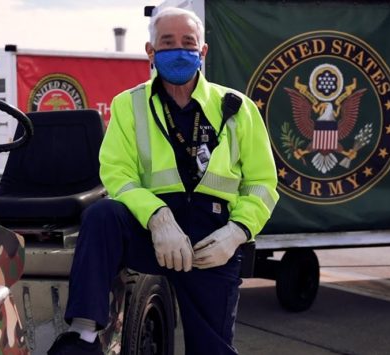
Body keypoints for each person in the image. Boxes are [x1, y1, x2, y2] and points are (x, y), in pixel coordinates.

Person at [47, 6, 279, 355]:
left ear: (203, 51)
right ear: (150, 51)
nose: (179, 50)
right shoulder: (128, 105)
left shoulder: (238, 108)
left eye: (188, 43)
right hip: (152, 232)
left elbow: (262, 183)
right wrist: (157, 217)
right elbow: (118, 174)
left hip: (212, 241)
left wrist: (236, 233)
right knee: (102, 216)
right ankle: (83, 336)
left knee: (213, 349)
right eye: (167, 43)